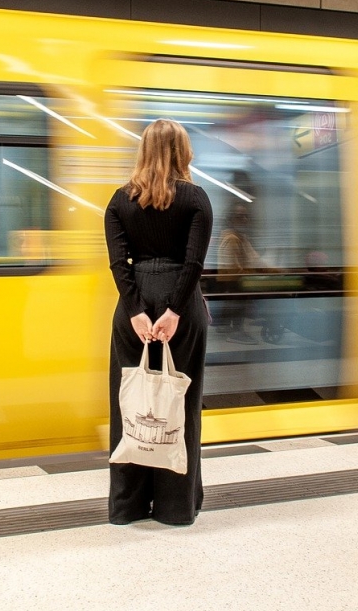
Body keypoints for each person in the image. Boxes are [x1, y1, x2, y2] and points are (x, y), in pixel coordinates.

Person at [104, 119, 213, 526]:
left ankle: (127, 507)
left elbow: (119, 263)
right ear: (183, 151)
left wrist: (135, 311)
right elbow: (194, 263)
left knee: (130, 405)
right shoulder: (196, 199)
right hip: (181, 306)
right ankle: (174, 507)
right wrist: (175, 312)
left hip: (131, 312)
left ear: (144, 151)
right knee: (180, 406)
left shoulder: (119, 201)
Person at [217, 203, 264, 345]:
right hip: (233, 281)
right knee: (240, 298)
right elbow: (233, 269)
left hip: (237, 279)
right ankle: (236, 331)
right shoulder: (231, 238)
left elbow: (255, 259)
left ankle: (229, 326)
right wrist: (256, 272)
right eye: (239, 216)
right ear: (231, 219)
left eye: (246, 216)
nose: (244, 219)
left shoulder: (241, 237)